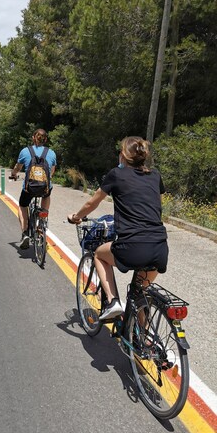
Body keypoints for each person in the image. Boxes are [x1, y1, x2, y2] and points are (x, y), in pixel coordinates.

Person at [67, 136, 168, 320]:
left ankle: (113, 301)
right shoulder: (155, 175)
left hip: (132, 247)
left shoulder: (116, 174)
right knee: (139, 293)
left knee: (98, 253)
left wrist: (76, 217)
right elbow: (155, 208)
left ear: (122, 155)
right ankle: (142, 342)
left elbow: (91, 203)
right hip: (160, 247)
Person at [10, 128, 57, 249]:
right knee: (47, 194)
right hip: (45, 188)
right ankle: (42, 221)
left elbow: (18, 167)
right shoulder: (51, 153)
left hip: (29, 188)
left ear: (33, 138)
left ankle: (25, 232)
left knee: (22, 205)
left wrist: (13, 174)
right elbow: (51, 172)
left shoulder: (25, 151)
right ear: (45, 139)